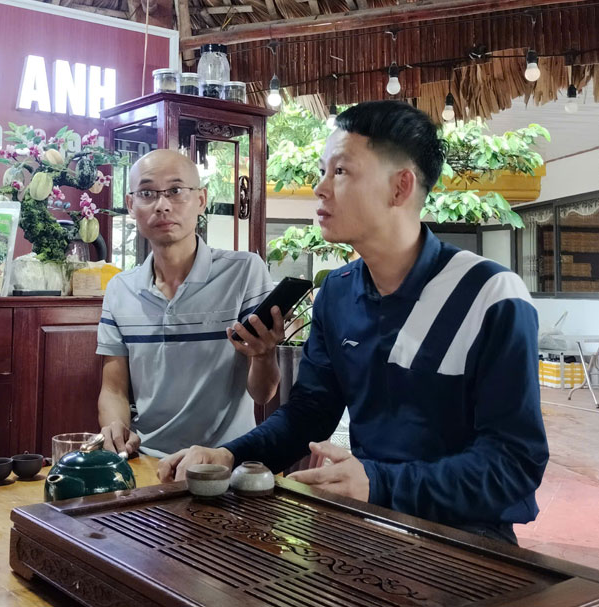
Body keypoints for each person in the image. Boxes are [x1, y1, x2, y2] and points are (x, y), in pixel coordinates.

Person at [157, 101, 549, 544]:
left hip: (468, 543)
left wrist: (379, 484)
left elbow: (514, 467)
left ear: (400, 187)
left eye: (340, 172)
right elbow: (309, 414)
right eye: (322, 172)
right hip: (366, 531)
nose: (320, 189)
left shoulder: (490, 295)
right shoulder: (339, 292)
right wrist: (229, 455)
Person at [96, 149, 284, 458]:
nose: (162, 205)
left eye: (176, 191)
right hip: (147, 461)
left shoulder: (244, 272)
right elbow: (113, 388)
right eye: (147, 193)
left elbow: (263, 394)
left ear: (201, 199)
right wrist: (116, 429)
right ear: (131, 205)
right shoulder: (120, 289)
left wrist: (265, 356)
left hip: (224, 463)